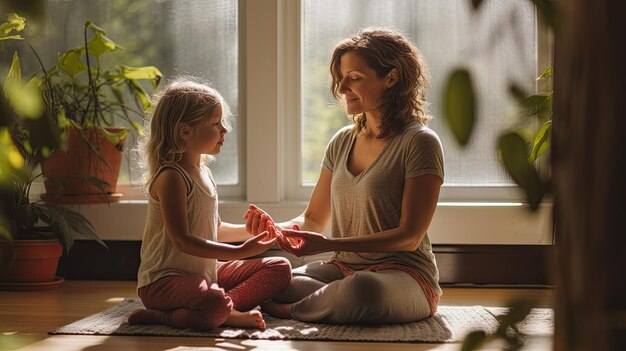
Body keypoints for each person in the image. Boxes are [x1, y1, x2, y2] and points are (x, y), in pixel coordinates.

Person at [247, 27, 444, 324]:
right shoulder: (341, 141)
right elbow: (313, 219)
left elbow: (409, 237)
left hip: (404, 275)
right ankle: (325, 302)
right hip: (341, 268)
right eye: (341, 78)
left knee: (361, 290)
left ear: (391, 78)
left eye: (354, 78)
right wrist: (274, 230)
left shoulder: (420, 142)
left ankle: (292, 311)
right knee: (273, 277)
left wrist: (327, 245)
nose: (342, 89)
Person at [128, 76, 291, 330]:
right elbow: (182, 239)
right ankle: (169, 316)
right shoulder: (171, 177)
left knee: (279, 266)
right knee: (212, 302)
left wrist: (252, 232)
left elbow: (215, 229)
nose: (224, 130)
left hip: (205, 274)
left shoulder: (203, 173)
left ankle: (223, 309)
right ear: (185, 131)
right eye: (216, 123)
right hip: (163, 283)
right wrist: (239, 251)